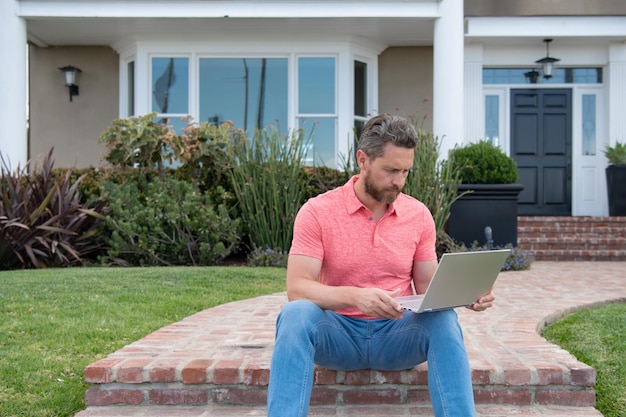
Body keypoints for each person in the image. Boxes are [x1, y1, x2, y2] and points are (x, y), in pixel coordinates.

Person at [267, 113, 494, 417]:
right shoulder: (317, 212)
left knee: (445, 320)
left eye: (405, 172)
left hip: (398, 335)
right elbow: (297, 288)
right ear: (363, 160)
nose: (399, 181)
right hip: (338, 335)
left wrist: (466, 295)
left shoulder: (418, 215)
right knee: (295, 314)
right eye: (390, 170)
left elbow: (428, 287)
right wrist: (355, 296)